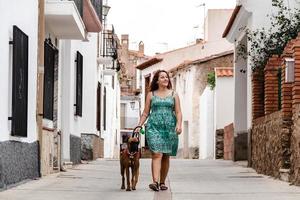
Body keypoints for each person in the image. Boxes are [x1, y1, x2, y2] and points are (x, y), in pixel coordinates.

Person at [136, 69, 182, 191]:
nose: (165, 79)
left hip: (170, 128)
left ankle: (162, 182)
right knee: (157, 154)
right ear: (157, 80)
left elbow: (178, 112)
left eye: (166, 77)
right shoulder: (151, 95)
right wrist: (140, 125)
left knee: (166, 155)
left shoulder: (174, 94)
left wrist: (179, 124)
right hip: (154, 127)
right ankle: (155, 182)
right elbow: (146, 113)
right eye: (162, 77)